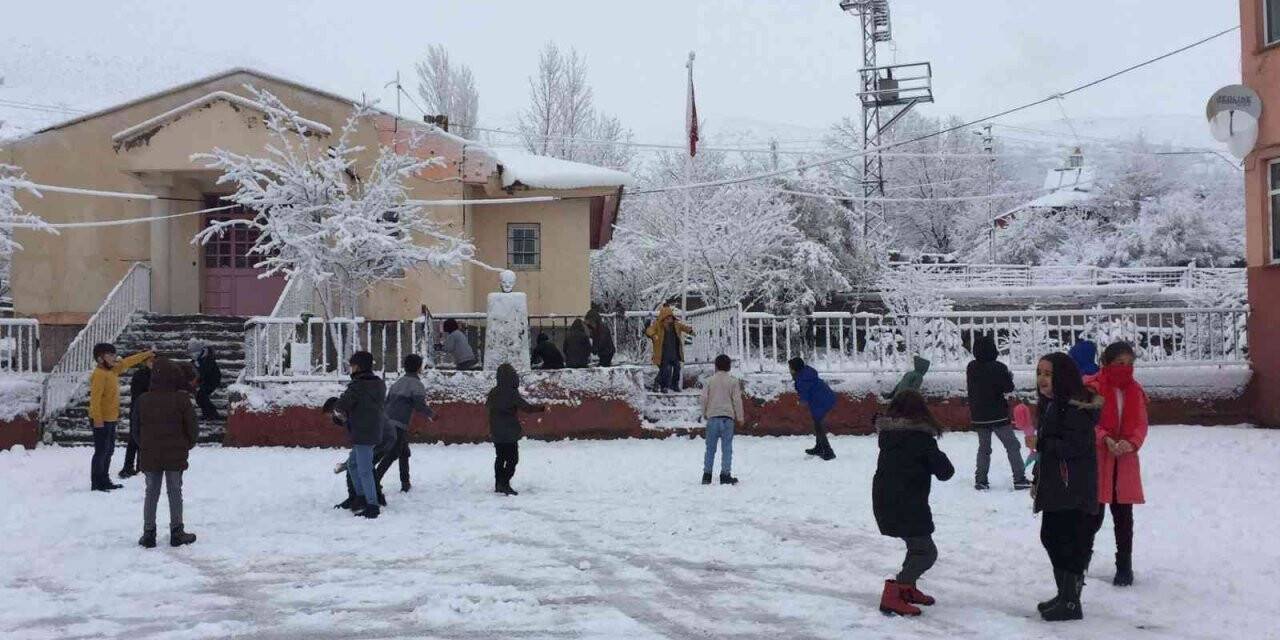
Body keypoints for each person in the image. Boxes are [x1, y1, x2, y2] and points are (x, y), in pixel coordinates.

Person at [1028, 352, 1102, 622]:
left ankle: (1071, 601)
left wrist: (1044, 446)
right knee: (1052, 537)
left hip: (1072, 486)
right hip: (1058, 485)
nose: (1042, 379)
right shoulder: (1051, 405)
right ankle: (1065, 595)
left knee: (1065, 541)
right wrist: (1038, 475)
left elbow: (1075, 447)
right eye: (1039, 373)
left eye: (1048, 374)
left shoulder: (1073, 408)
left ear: (1063, 376)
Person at [872, 389, 955, 617]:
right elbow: (946, 472)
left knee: (916, 547)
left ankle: (907, 589)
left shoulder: (888, 437)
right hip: (908, 504)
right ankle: (895, 591)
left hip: (885, 500)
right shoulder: (921, 439)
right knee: (927, 553)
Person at [1088, 341, 1148, 587]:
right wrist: (1104, 437)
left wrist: (1132, 443)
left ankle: (1124, 566)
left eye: (1130, 364)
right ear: (1106, 363)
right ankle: (1081, 560)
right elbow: (1085, 421)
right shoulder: (1092, 388)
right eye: (1119, 363)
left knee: (1124, 515)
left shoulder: (1135, 391)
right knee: (1092, 514)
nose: (1125, 368)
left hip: (1124, 461)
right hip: (1098, 459)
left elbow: (1140, 425)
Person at [135, 358, 199, 548]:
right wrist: (186, 444)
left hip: (150, 453)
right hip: (175, 453)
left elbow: (135, 430)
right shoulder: (181, 399)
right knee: (175, 491)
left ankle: (148, 533)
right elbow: (192, 428)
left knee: (151, 493)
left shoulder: (143, 400)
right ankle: (177, 531)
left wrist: (144, 445)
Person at [966, 334, 1029, 491]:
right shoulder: (999, 367)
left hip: (979, 415)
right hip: (998, 414)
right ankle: (1019, 478)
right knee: (1012, 445)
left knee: (984, 448)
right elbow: (1008, 387)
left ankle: (981, 480)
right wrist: (1008, 376)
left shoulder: (971, 367)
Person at [88, 343, 154, 492]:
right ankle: (96, 482)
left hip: (111, 419)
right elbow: (95, 400)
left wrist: (146, 354)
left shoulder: (112, 371)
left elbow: (127, 362)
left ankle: (104, 479)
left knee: (109, 450)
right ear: (100, 359)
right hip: (101, 420)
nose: (114, 357)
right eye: (110, 355)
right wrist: (97, 419)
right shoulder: (99, 375)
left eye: (114, 354)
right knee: (101, 451)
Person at [330, 351, 387, 518]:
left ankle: (372, 504)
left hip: (362, 433)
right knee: (354, 465)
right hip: (373, 429)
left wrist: (338, 412)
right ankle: (360, 497)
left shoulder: (358, 385)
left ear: (358, 367)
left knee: (364, 470)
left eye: (352, 366)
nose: (351, 369)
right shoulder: (379, 384)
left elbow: (341, 405)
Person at [377, 354, 436, 493]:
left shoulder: (398, 382)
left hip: (387, 421)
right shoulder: (417, 384)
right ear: (419, 368)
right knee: (393, 453)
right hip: (399, 423)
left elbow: (387, 401)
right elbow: (419, 405)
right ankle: (375, 478)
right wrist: (432, 415)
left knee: (404, 452)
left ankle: (405, 482)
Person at [487, 363, 546, 496]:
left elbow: (488, 407)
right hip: (509, 433)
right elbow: (526, 408)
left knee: (500, 458)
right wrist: (541, 408)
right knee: (513, 459)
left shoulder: (493, 392)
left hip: (496, 431)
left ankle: (498, 483)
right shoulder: (512, 393)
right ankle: (505, 483)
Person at [699, 354, 744, 486]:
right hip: (727, 418)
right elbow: (737, 400)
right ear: (729, 367)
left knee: (710, 448)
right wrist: (740, 417)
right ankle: (725, 474)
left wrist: (704, 413)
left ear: (716, 366)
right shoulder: (733, 381)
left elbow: (703, 399)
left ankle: (707, 475)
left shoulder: (709, 381)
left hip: (712, 418)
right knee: (727, 448)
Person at [788, 357, 837, 460]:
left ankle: (828, 452)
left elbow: (804, 393)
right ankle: (819, 447)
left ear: (795, 369)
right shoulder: (806, 373)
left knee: (819, 427)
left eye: (790, 368)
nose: (789, 370)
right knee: (817, 424)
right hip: (824, 398)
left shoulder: (802, 379)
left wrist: (802, 401)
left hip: (821, 402)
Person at [645, 304, 694, 393]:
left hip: (674, 353)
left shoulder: (676, 325)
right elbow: (649, 330)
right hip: (662, 354)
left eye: (670, 318)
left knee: (677, 368)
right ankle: (662, 385)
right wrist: (653, 335)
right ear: (662, 319)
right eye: (667, 318)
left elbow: (684, 327)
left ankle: (674, 385)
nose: (669, 320)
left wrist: (690, 330)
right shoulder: (658, 325)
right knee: (665, 370)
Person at [118, 358, 153, 479]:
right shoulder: (140, 374)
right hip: (138, 410)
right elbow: (137, 393)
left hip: (150, 410)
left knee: (145, 438)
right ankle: (128, 466)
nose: (153, 362)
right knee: (134, 439)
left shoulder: (156, 374)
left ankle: (141, 465)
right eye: (150, 360)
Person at [190, 341, 223, 420]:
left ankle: (213, 414)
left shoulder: (208, 359)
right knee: (199, 396)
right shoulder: (198, 359)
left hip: (212, 380)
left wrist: (197, 380)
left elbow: (204, 372)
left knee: (201, 395)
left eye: (194, 352)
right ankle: (207, 414)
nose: (193, 355)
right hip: (204, 381)